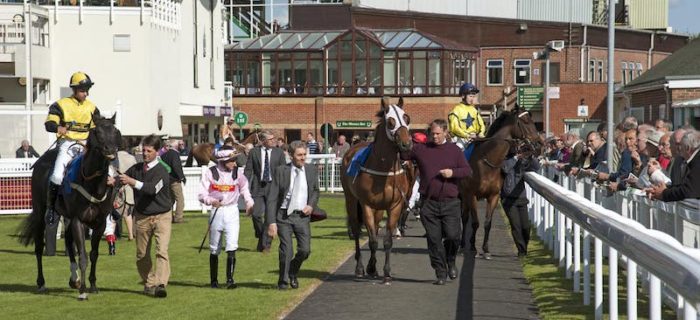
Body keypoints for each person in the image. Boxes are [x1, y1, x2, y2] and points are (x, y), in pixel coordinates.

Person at [401, 119, 472, 285]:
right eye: (432, 133)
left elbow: (467, 170)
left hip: (451, 202)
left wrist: (452, 172)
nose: (435, 137)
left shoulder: (454, 150)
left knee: (454, 237)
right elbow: (403, 154)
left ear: (446, 132)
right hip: (429, 203)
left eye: (438, 133)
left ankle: (451, 261)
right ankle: (440, 272)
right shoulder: (421, 149)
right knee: (434, 239)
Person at [118, 134, 173, 298]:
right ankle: (150, 283)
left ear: (157, 152)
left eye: (149, 151)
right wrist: (112, 180)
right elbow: (121, 178)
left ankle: (161, 284)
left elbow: (151, 189)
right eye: (143, 150)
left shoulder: (163, 171)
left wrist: (132, 182)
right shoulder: (136, 169)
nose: (145, 153)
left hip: (162, 216)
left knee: (161, 251)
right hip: (142, 216)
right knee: (142, 255)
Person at [44, 71, 101, 226]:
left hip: (86, 145)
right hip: (68, 144)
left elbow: (98, 129)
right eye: (83, 90)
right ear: (74, 90)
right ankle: (51, 208)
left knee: (106, 172)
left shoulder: (92, 108)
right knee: (56, 176)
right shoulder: (60, 105)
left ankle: (108, 207)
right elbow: (49, 124)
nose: (86, 94)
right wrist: (58, 127)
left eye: (87, 90)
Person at [266, 141, 320, 290]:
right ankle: (283, 282)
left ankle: (293, 272)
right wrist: (271, 222)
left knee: (305, 250)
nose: (303, 158)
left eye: (304, 155)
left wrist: (311, 205)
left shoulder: (310, 170)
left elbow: (315, 190)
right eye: (299, 155)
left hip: (302, 216)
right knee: (286, 249)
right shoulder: (281, 171)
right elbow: (272, 197)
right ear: (291, 156)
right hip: (284, 216)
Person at [198, 147, 254, 289]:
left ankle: (230, 280)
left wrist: (249, 202)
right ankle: (214, 281)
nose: (234, 163)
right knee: (214, 248)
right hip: (217, 211)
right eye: (232, 160)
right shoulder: (210, 173)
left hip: (232, 211)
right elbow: (201, 194)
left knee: (232, 245)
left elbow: (245, 188)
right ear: (223, 161)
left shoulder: (237, 173)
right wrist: (211, 201)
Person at [244, 130, 286, 252]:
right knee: (256, 215)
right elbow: (248, 170)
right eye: (270, 139)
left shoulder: (279, 153)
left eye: (274, 138)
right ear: (263, 141)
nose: (273, 141)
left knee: (269, 217)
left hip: (273, 187)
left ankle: (265, 245)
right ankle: (261, 234)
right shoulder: (254, 152)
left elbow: (283, 170)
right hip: (258, 187)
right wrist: (244, 186)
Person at [501, 143, 540, 257]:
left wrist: (531, 155)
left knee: (526, 227)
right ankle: (522, 251)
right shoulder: (505, 159)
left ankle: (524, 248)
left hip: (521, 197)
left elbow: (536, 167)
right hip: (508, 198)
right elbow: (505, 168)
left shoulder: (524, 161)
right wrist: (516, 158)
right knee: (516, 226)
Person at [646, 130, 700, 201]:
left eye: (680, 146)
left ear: (687, 148)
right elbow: (683, 186)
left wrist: (664, 193)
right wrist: (661, 190)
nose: (679, 149)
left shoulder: (697, 161)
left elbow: (688, 191)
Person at [447, 83, 486, 150]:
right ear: (463, 96)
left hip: (474, 137)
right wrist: (467, 135)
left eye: (474, 96)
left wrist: (481, 133)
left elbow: (481, 124)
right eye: (470, 96)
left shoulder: (474, 110)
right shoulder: (456, 110)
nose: (472, 99)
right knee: (458, 150)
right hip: (461, 139)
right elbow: (455, 128)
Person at [160, 140, 187, 223]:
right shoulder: (175, 154)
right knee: (180, 199)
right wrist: (182, 177)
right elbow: (176, 166)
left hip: (166, 179)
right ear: (175, 146)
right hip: (175, 180)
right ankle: (178, 217)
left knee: (170, 200)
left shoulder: (163, 155)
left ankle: (169, 217)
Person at [114, 144, 137, 241]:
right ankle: (131, 234)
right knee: (128, 212)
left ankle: (114, 234)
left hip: (117, 185)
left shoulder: (115, 157)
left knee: (116, 211)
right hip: (129, 186)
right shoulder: (131, 158)